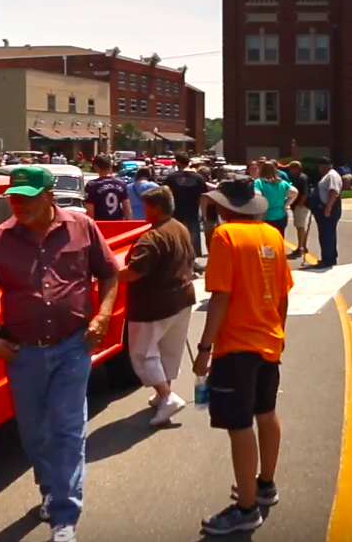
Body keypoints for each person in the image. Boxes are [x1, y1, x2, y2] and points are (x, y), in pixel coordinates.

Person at [0, 166, 120, 542]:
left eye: (28, 197)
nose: (19, 204)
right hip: (24, 352)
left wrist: (102, 314)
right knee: (34, 433)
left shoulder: (82, 227)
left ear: (49, 196)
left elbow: (110, 274)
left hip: (73, 345)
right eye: (14, 197)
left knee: (67, 429)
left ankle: (65, 516)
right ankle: (50, 489)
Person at [192, 178, 292, 535]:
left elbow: (220, 296)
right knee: (266, 412)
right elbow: (283, 294)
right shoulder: (272, 235)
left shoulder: (225, 237)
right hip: (269, 338)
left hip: (236, 345)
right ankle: (265, 485)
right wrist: (279, 332)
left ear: (226, 206)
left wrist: (205, 349)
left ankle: (246, 507)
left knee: (239, 426)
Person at [118, 186, 196, 426]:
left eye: (147, 207)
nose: (143, 211)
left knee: (143, 354)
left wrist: (106, 274)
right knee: (169, 350)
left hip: (153, 305)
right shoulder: (180, 227)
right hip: (182, 298)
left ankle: (166, 395)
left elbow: (133, 272)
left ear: (157, 208)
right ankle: (164, 394)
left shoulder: (152, 237)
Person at [164, 153, 210, 256]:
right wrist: (204, 214)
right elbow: (203, 197)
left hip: (176, 213)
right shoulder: (199, 178)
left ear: (178, 163)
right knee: (192, 239)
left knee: (177, 239)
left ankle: (179, 261)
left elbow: (166, 195)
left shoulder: (171, 178)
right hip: (192, 213)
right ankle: (192, 261)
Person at [309, 156, 342, 269]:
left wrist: (328, 207)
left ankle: (328, 259)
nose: (319, 168)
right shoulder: (328, 176)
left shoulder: (332, 176)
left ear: (325, 165)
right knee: (327, 234)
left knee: (327, 234)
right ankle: (329, 257)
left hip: (330, 208)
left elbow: (333, 191)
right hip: (325, 207)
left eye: (320, 166)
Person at [255, 161, 297, 239]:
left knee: (265, 241)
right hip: (280, 215)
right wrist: (286, 205)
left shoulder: (259, 182)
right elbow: (294, 192)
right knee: (279, 239)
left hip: (265, 216)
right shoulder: (282, 183)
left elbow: (257, 194)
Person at [84, 156, 131, 220]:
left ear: (96, 167)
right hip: (118, 224)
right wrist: (129, 222)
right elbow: (127, 208)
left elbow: (90, 211)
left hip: (100, 224)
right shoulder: (121, 184)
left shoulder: (92, 185)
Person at [286, 161, 312, 260]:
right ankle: (302, 246)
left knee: (300, 226)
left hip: (301, 206)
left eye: (291, 168)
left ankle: (301, 247)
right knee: (299, 226)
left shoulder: (302, 178)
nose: (290, 170)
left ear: (297, 168)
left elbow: (305, 193)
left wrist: (300, 204)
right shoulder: (295, 177)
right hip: (296, 205)